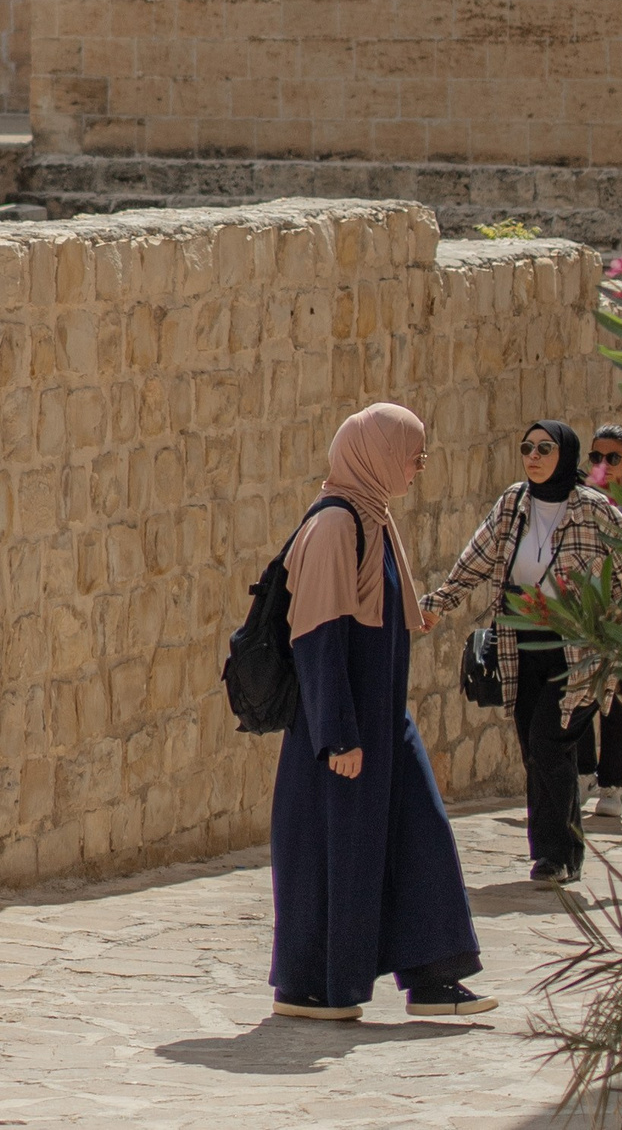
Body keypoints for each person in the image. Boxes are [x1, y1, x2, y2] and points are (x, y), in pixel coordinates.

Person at [269, 402, 495, 1021]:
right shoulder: (338, 525)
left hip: (382, 722)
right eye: (412, 454)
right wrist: (338, 736)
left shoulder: (376, 518)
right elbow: (316, 636)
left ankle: (433, 975)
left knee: (418, 837)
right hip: (340, 732)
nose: (419, 466)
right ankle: (314, 986)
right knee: (334, 855)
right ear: (376, 454)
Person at [424, 418, 622, 886]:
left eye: (544, 448)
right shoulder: (513, 503)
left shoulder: (594, 511)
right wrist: (437, 605)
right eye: (527, 448)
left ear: (566, 455)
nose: (533, 456)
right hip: (521, 644)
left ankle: (552, 856)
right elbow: (475, 559)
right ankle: (566, 851)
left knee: (549, 740)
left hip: (576, 649)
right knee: (536, 749)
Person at [575, 425, 622, 830]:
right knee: (577, 692)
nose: (602, 466)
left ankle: (612, 784)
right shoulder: (579, 499)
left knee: (620, 700)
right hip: (584, 609)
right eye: (596, 458)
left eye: (612, 458)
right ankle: (583, 772)